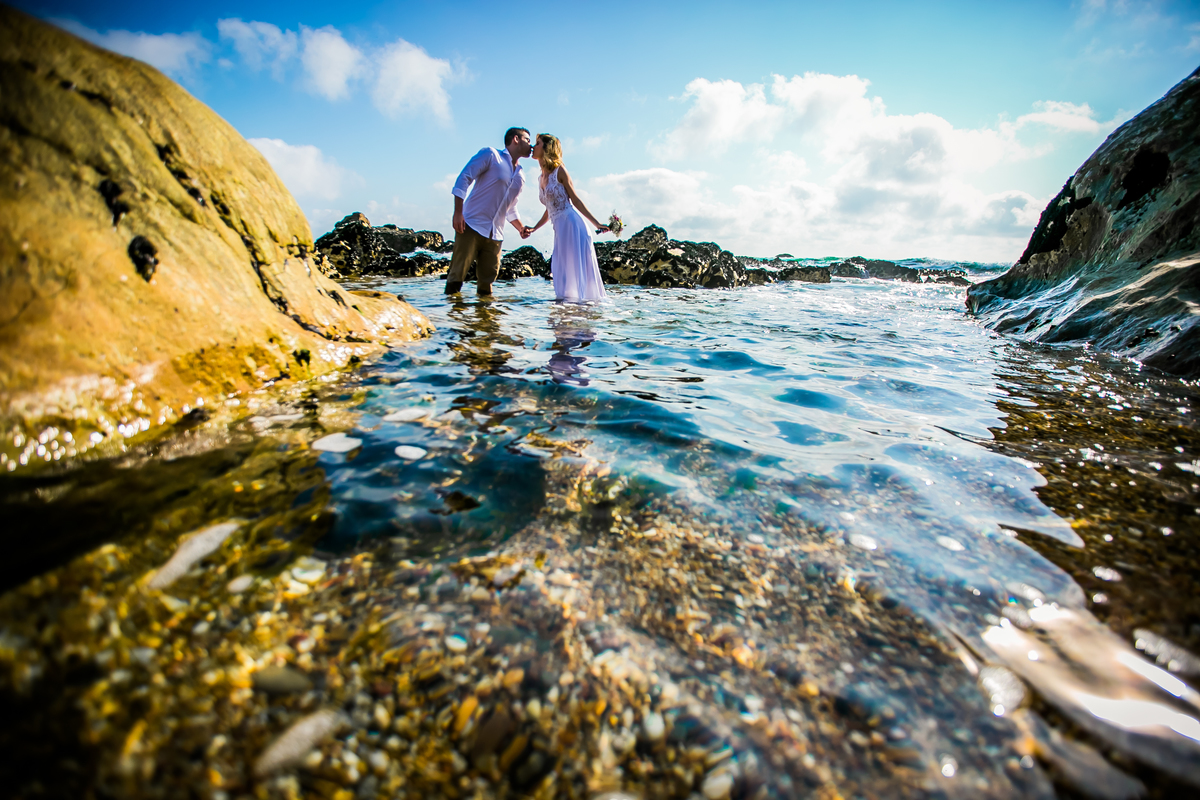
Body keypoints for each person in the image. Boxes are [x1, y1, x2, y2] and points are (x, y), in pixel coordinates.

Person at [444, 127, 533, 296]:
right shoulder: (491, 155)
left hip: (495, 236)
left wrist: (520, 227)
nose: (531, 145)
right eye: (527, 140)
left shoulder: (521, 175)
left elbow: (511, 207)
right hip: (470, 225)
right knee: (456, 276)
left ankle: (484, 322)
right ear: (515, 139)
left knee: (487, 285)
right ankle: (449, 320)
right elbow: (464, 178)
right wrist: (458, 212)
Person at [523, 134, 608, 303]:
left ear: (547, 148)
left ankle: (583, 314)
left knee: (574, 270)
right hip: (559, 230)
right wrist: (534, 228)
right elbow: (550, 209)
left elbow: (575, 200)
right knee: (561, 269)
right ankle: (567, 315)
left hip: (573, 226)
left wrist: (596, 223)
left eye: (538, 143)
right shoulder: (540, 177)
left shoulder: (559, 171)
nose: (533, 146)